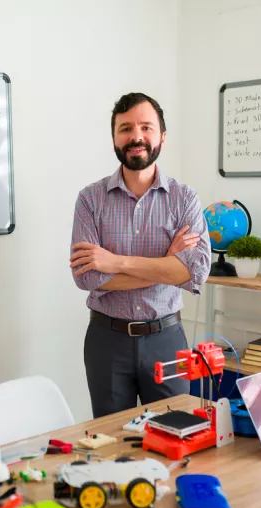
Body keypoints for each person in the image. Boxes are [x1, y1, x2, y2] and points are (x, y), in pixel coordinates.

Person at [69, 92, 211, 418]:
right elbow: (88, 277)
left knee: (174, 435)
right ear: (114, 139)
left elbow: (195, 272)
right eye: (125, 129)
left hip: (166, 339)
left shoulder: (184, 198)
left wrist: (114, 262)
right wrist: (166, 265)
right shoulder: (90, 200)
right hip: (107, 341)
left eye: (146, 127)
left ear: (162, 136)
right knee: (109, 443)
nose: (136, 137)